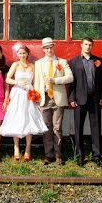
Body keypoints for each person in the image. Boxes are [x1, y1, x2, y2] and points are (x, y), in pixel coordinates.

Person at [0, 43, 48, 161]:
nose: (22, 55)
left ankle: (28, 149)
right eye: (20, 53)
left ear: (28, 54)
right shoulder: (15, 65)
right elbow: (7, 79)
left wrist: (37, 95)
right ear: (17, 54)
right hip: (17, 94)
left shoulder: (32, 66)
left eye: (24, 53)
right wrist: (17, 82)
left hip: (29, 95)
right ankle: (16, 148)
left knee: (29, 119)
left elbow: (36, 81)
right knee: (17, 118)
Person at [33, 36, 74, 165]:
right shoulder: (38, 63)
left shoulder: (62, 62)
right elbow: (37, 82)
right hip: (44, 98)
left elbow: (70, 78)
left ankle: (58, 155)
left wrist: (55, 81)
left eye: (51, 47)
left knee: (57, 128)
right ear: (43, 50)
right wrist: (36, 98)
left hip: (58, 99)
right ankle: (48, 155)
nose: (49, 50)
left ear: (53, 47)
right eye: (46, 48)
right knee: (47, 128)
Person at [68, 37, 102, 166]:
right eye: (86, 44)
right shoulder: (73, 62)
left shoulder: (98, 61)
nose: (88, 47)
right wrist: (71, 98)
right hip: (80, 100)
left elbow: (101, 80)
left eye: (90, 45)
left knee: (96, 128)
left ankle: (96, 156)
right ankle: (80, 156)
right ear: (81, 45)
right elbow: (72, 82)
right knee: (78, 128)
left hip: (95, 98)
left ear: (92, 46)